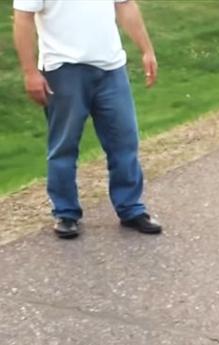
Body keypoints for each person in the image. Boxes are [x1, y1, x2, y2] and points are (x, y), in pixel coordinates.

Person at [12, 0, 162, 239]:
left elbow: (125, 5)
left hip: (111, 68)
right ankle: (66, 212)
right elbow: (23, 18)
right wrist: (30, 72)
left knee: (124, 142)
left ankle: (131, 208)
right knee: (64, 145)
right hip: (63, 69)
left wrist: (146, 50)